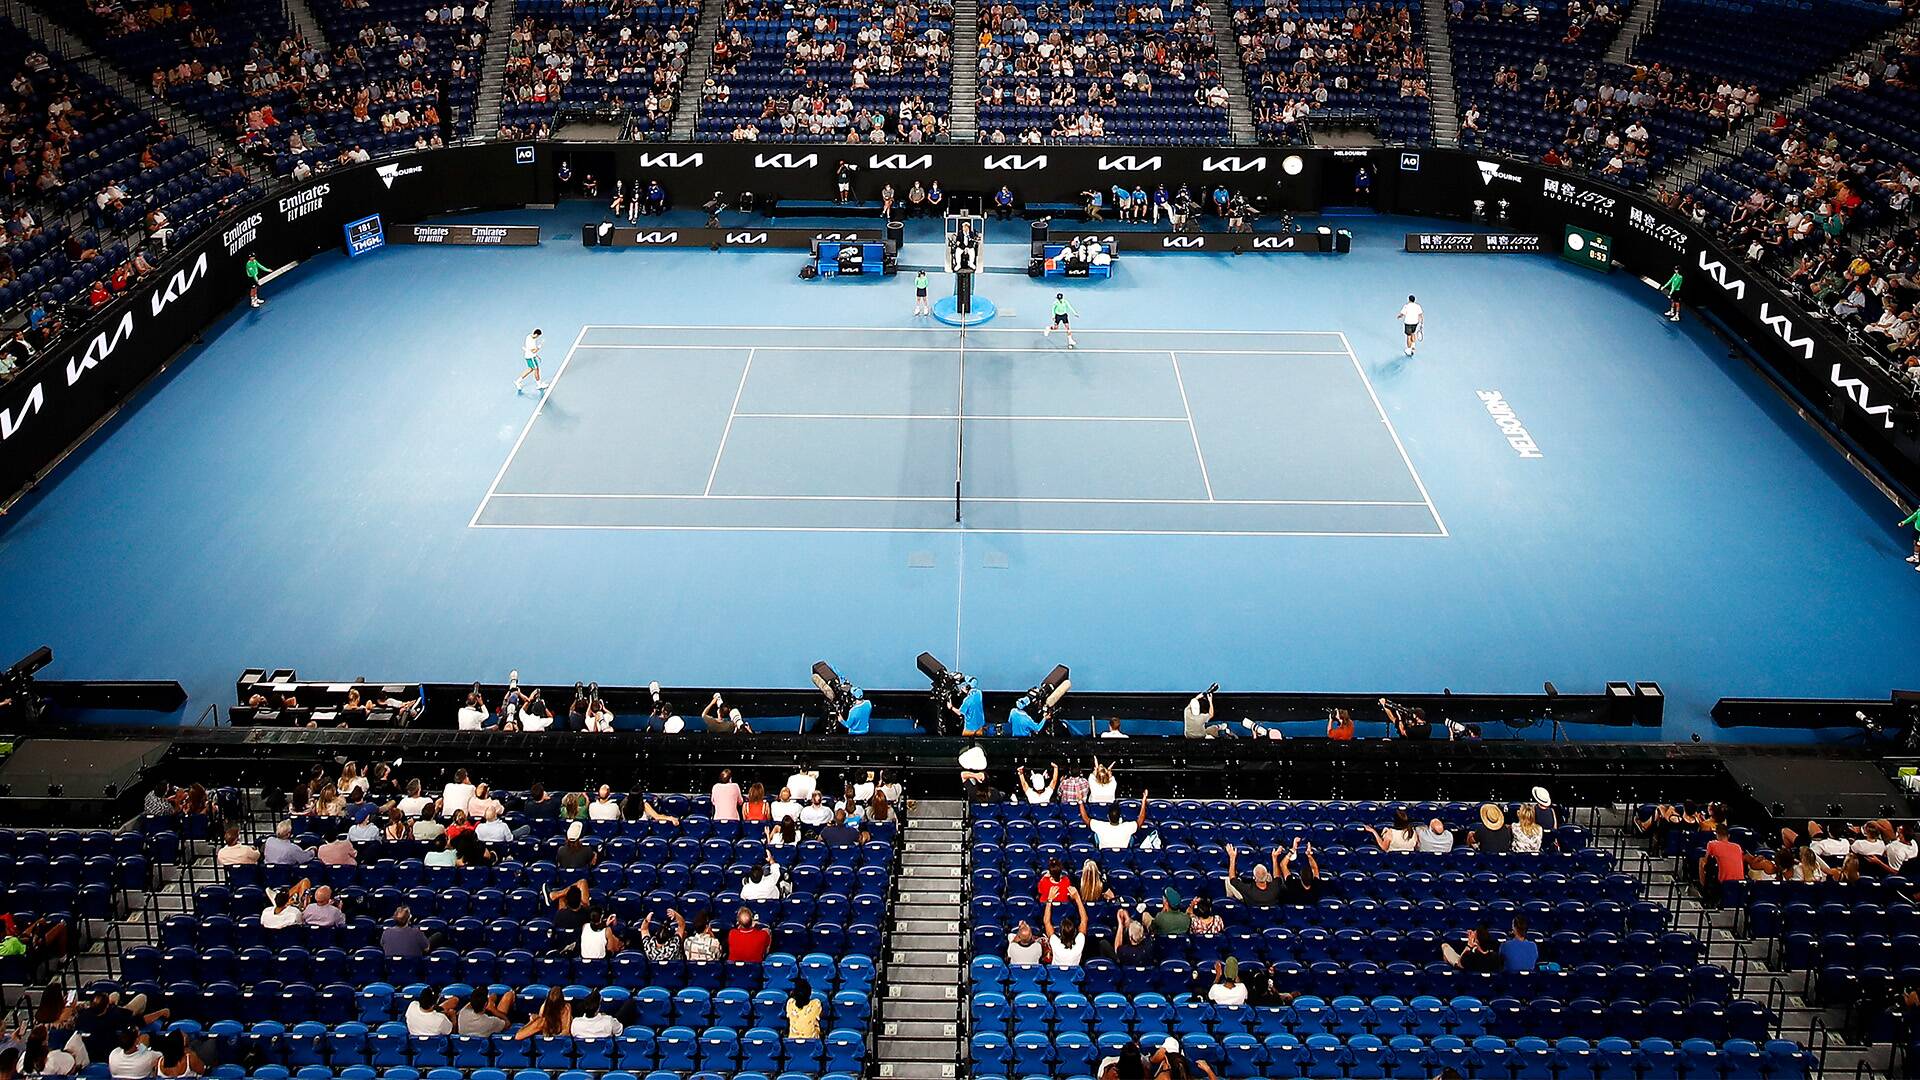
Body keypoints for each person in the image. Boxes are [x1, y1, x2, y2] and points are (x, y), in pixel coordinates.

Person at [1080, 791, 1150, 850]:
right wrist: (1143, 802)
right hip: (1123, 859)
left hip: (1105, 861)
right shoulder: (1128, 827)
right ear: (1120, 817)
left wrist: (1080, 801)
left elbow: (1085, 818)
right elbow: (1141, 819)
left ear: (1108, 816)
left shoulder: (1100, 826)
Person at [1900, 505, 1920, 572]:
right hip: (1917, 530)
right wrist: (1904, 522)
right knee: (1916, 544)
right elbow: (1913, 516)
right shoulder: (1919, 510)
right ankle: (1916, 557)